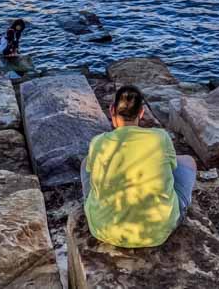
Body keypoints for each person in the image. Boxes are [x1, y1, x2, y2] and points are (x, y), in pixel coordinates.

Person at [82, 85, 197, 248]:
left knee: (86, 163)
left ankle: (96, 206)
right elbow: (172, 167)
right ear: (142, 112)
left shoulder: (98, 142)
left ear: (111, 110)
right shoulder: (160, 137)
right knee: (187, 161)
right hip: (157, 232)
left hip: (103, 229)